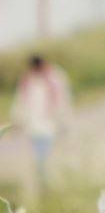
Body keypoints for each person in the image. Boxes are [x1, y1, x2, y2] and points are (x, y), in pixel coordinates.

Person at [10, 55, 72, 189]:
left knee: (46, 156)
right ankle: (44, 183)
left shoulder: (55, 77)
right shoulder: (27, 80)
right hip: (33, 125)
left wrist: (64, 121)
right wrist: (16, 120)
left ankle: (47, 183)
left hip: (50, 124)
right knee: (40, 156)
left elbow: (63, 101)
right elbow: (20, 102)